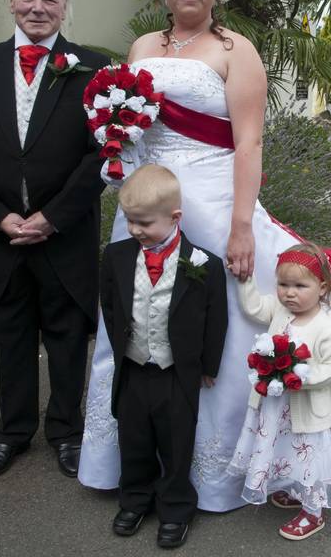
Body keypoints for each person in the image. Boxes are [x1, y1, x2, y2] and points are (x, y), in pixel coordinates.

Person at [79, 0, 331, 512]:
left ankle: (212, 470)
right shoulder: (143, 43)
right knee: (133, 319)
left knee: (215, 332)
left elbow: (249, 144)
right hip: (145, 201)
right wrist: (116, 153)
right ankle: (130, 462)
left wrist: (243, 225)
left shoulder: (235, 50)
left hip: (211, 201)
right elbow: (133, 126)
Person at [0, 0, 108, 479]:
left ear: (64, 7)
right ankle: (12, 433)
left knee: (65, 334)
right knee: (12, 332)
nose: (38, 8)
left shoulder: (93, 67)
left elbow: (102, 152)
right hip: (3, 236)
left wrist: (52, 217)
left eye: (49, 0)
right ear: (11, 2)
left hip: (65, 231)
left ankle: (66, 431)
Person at [100, 165, 227, 548]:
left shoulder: (206, 264)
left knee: (176, 443)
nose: (135, 230)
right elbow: (110, 305)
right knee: (133, 438)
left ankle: (175, 507)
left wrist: (208, 365)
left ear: (175, 217)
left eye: (143, 223)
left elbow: (216, 319)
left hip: (176, 373)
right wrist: (124, 349)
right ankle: (135, 498)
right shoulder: (117, 256)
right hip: (135, 368)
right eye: (129, 221)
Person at [227, 243, 331, 541]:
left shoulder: (325, 328)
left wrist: (302, 376)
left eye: (300, 286)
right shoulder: (280, 310)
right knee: (286, 448)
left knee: (309, 456)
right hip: (277, 406)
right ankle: (298, 490)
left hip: (308, 409)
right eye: (283, 284)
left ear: (321, 287)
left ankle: (313, 511)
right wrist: (245, 279)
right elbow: (253, 307)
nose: (289, 293)